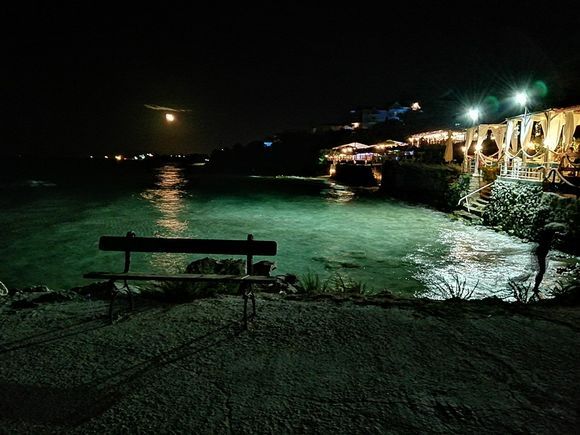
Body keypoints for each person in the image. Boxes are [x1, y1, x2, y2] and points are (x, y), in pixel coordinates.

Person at [531, 223, 567, 298]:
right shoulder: (549, 236)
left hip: (540, 251)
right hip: (542, 252)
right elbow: (562, 235)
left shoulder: (545, 234)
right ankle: (535, 288)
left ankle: (535, 287)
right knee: (542, 270)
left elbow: (560, 235)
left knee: (541, 271)